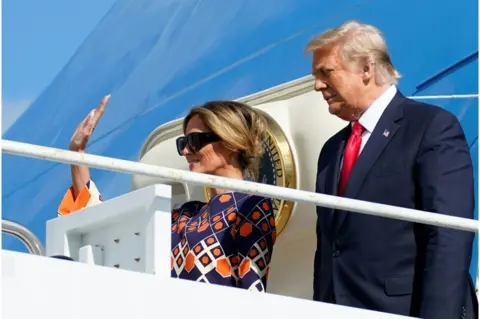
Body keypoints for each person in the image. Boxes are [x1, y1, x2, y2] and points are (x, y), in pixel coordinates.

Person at [305, 20, 477, 318]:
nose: (318, 84)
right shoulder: (332, 151)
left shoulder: (431, 128)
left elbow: (449, 236)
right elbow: (329, 247)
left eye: (326, 72)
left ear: (367, 69)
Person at [58, 96, 277, 292]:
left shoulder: (252, 206)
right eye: (182, 143)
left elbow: (252, 293)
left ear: (231, 143)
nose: (185, 151)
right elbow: (108, 228)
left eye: (194, 141)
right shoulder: (184, 214)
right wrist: (77, 154)